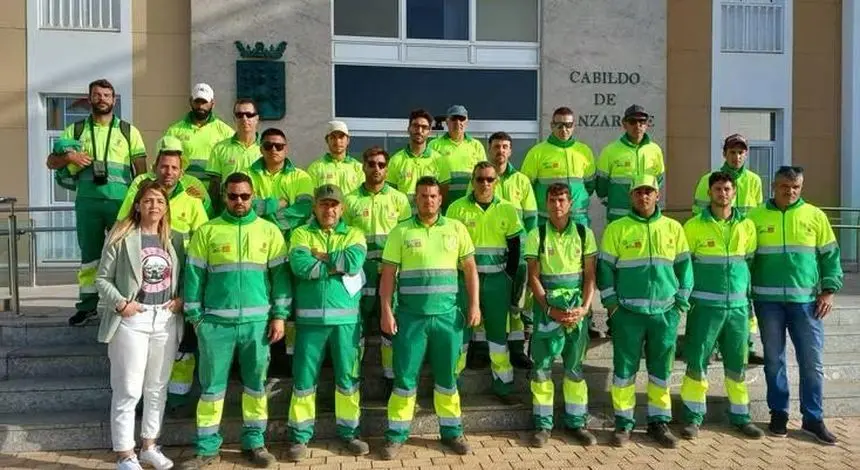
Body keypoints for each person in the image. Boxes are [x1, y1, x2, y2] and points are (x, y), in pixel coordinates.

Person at [179, 172, 290, 469]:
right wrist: (196, 319)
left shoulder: (269, 231)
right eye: (232, 196)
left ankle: (255, 443)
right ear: (224, 197)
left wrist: (279, 316)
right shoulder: (208, 231)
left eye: (244, 196)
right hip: (215, 325)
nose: (238, 201)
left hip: (257, 325)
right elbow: (193, 278)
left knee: (256, 386)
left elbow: (280, 279)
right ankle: (206, 449)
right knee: (211, 390)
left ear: (253, 196)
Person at [379, 176, 481, 459]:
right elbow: (388, 275)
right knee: (404, 379)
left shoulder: (456, 228)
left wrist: (474, 305)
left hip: (448, 318)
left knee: (448, 378)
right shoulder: (400, 232)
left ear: (441, 199)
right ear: (416, 198)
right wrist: (386, 310)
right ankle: (396, 435)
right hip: (411, 319)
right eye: (423, 196)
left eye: (433, 196)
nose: (428, 200)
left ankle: (452, 432)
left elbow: (470, 270)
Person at [748, 166, 843, 445]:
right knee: (774, 362)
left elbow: (830, 256)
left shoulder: (815, 216)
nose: (790, 192)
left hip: (807, 304)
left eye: (795, 187)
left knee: (811, 363)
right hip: (768, 303)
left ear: (801, 188)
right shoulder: (755, 217)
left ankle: (813, 417)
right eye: (784, 187)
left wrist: (828, 291)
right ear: (773, 187)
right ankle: (779, 412)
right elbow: (746, 259)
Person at [597, 174, 692, 449]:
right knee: (624, 370)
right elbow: (605, 270)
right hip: (627, 313)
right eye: (638, 192)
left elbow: (685, 269)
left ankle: (658, 422)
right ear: (631, 196)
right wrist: (612, 305)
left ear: (657, 194)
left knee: (660, 370)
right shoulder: (617, 228)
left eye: (649, 191)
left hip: (665, 314)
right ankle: (623, 423)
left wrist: (680, 305)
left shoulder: (673, 228)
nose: (644, 196)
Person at [95, 181, 184, 470]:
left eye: (159, 201)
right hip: (133, 318)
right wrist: (121, 303)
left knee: (157, 387)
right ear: (137, 204)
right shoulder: (122, 236)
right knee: (128, 388)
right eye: (148, 201)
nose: (154, 206)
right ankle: (124, 454)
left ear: (166, 206)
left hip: (165, 319)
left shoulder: (175, 239)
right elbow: (101, 279)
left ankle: (149, 446)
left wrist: (181, 299)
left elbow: (182, 279)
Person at [116, 137, 209, 413]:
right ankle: (144, 396)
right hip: (147, 278)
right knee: (146, 342)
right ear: (155, 166)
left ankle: (178, 395)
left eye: (174, 167)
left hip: (183, 275)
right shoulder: (145, 195)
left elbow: (203, 237)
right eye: (164, 166)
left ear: (182, 171)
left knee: (184, 342)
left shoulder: (192, 200)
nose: (169, 171)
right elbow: (124, 225)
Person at [46, 78, 148, 326]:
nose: (102, 99)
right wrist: (69, 156)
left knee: (125, 253)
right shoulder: (76, 131)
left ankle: (128, 300)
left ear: (114, 100)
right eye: (97, 95)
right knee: (90, 257)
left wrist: (141, 202)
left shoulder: (128, 131)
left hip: (121, 204)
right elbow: (51, 162)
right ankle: (88, 305)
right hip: (88, 202)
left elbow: (142, 172)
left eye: (106, 95)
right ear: (90, 98)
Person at [285, 184, 369, 461]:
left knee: (347, 378)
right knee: (304, 381)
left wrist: (320, 256)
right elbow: (300, 266)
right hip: (309, 323)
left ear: (342, 208)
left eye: (334, 205)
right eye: (323, 204)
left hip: (346, 323)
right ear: (315, 207)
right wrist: (334, 264)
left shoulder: (354, 233)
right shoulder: (300, 233)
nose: (329, 209)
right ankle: (300, 436)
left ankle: (350, 433)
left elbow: (354, 262)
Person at [680, 171, 764, 440]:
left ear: (734, 193)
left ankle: (741, 417)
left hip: (738, 309)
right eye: (718, 189)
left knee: (737, 365)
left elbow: (748, 261)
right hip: (704, 308)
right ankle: (693, 418)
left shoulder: (747, 226)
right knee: (697, 363)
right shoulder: (692, 226)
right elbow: (685, 267)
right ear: (710, 192)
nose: (723, 193)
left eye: (727, 189)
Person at [524, 183, 598, 448]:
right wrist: (549, 309)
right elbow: (533, 276)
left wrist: (585, 308)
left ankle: (577, 424)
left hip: (576, 311)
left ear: (570, 204)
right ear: (547, 203)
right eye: (553, 200)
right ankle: (543, 427)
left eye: (562, 200)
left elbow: (590, 276)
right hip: (546, 311)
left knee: (575, 369)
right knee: (542, 369)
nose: (557, 205)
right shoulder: (536, 234)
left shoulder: (583, 232)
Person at [447, 162, 524, 404]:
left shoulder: (508, 210)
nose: (485, 184)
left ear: (496, 182)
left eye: (490, 179)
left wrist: (509, 279)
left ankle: (504, 388)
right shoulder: (456, 208)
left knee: (498, 337)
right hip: (464, 281)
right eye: (480, 179)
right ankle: (451, 388)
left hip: (497, 281)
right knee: (459, 335)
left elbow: (515, 248)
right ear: (472, 180)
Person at [692, 133, 765, 365]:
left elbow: (757, 217)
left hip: (743, 247)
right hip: (714, 245)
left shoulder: (754, 180)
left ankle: (747, 345)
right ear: (724, 153)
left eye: (741, 152)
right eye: (732, 152)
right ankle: (712, 346)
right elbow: (698, 214)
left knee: (745, 299)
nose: (737, 156)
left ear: (746, 154)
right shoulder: (707, 179)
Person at [342, 146, 411, 388]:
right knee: (355, 324)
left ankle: (390, 377)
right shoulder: (349, 200)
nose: (376, 169)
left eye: (381, 164)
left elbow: (404, 238)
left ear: (387, 168)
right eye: (371, 164)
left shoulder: (399, 200)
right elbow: (344, 237)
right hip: (359, 272)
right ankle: (352, 378)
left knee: (389, 324)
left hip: (388, 271)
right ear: (363, 166)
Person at [247, 128, 315, 366]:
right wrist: (277, 204)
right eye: (268, 146)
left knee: (289, 301)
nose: (273, 150)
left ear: (286, 148)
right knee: (262, 298)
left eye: (279, 146)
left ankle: (287, 358)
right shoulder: (247, 175)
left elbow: (303, 211)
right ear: (260, 148)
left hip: (289, 247)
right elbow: (245, 207)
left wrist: (266, 218)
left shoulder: (301, 177)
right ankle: (264, 355)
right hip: (256, 250)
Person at [487, 131, 537, 369]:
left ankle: (517, 349)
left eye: (505, 146)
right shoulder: (482, 177)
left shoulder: (522, 181)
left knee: (517, 304)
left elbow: (531, 220)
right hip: (492, 254)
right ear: (489, 149)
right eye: (497, 146)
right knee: (490, 303)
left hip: (518, 255)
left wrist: (527, 251)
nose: (501, 151)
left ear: (511, 151)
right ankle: (482, 350)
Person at [521, 107, 595, 227]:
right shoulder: (537, 152)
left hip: (578, 218)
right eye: (559, 125)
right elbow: (526, 187)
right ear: (552, 126)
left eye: (568, 125)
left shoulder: (584, 151)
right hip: (546, 219)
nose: (564, 129)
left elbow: (590, 185)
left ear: (574, 126)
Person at [595, 104, 665, 223]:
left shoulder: (655, 150)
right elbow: (601, 188)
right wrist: (617, 203)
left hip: (647, 217)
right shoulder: (610, 151)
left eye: (642, 121)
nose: (637, 125)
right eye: (632, 121)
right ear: (624, 124)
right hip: (619, 217)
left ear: (647, 124)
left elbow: (658, 181)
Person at [162, 83, 234, 186]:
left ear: (212, 103)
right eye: (197, 101)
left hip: (214, 191)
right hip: (184, 190)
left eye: (204, 102)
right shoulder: (174, 131)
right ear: (191, 101)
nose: (200, 106)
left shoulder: (226, 132)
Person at [205, 98, 261, 210]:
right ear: (234, 118)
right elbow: (214, 188)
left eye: (249, 114)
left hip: (260, 212)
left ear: (257, 118)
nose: (244, 118)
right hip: (229, 211)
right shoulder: (220, 148)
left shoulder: (268, 149)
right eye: (239, 115)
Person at [432, 105, 487, 210]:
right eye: (454, 118)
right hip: (444, 205)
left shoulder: (476, 145)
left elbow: (484, 175)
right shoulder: (434, 145)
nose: (458, 122)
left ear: (466, 121)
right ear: (447, 122)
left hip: (471, 204)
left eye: (461, 118)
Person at [386, 109, 443, 207]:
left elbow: (443, 194)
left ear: (429, 131)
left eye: (424, 127)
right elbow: (391, 195)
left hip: (430, 219)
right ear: (408, 129)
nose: (419, 131)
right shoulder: (396, 160)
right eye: (416, 126)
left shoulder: (440, 160)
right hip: (404, 218)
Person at [306, 121, 364, 193]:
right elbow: (311, 198)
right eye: (333, 137)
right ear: (327, 140)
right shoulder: (315, 168)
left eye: (341, 137)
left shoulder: (359, 168)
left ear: (348, 140)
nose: (337, 141)